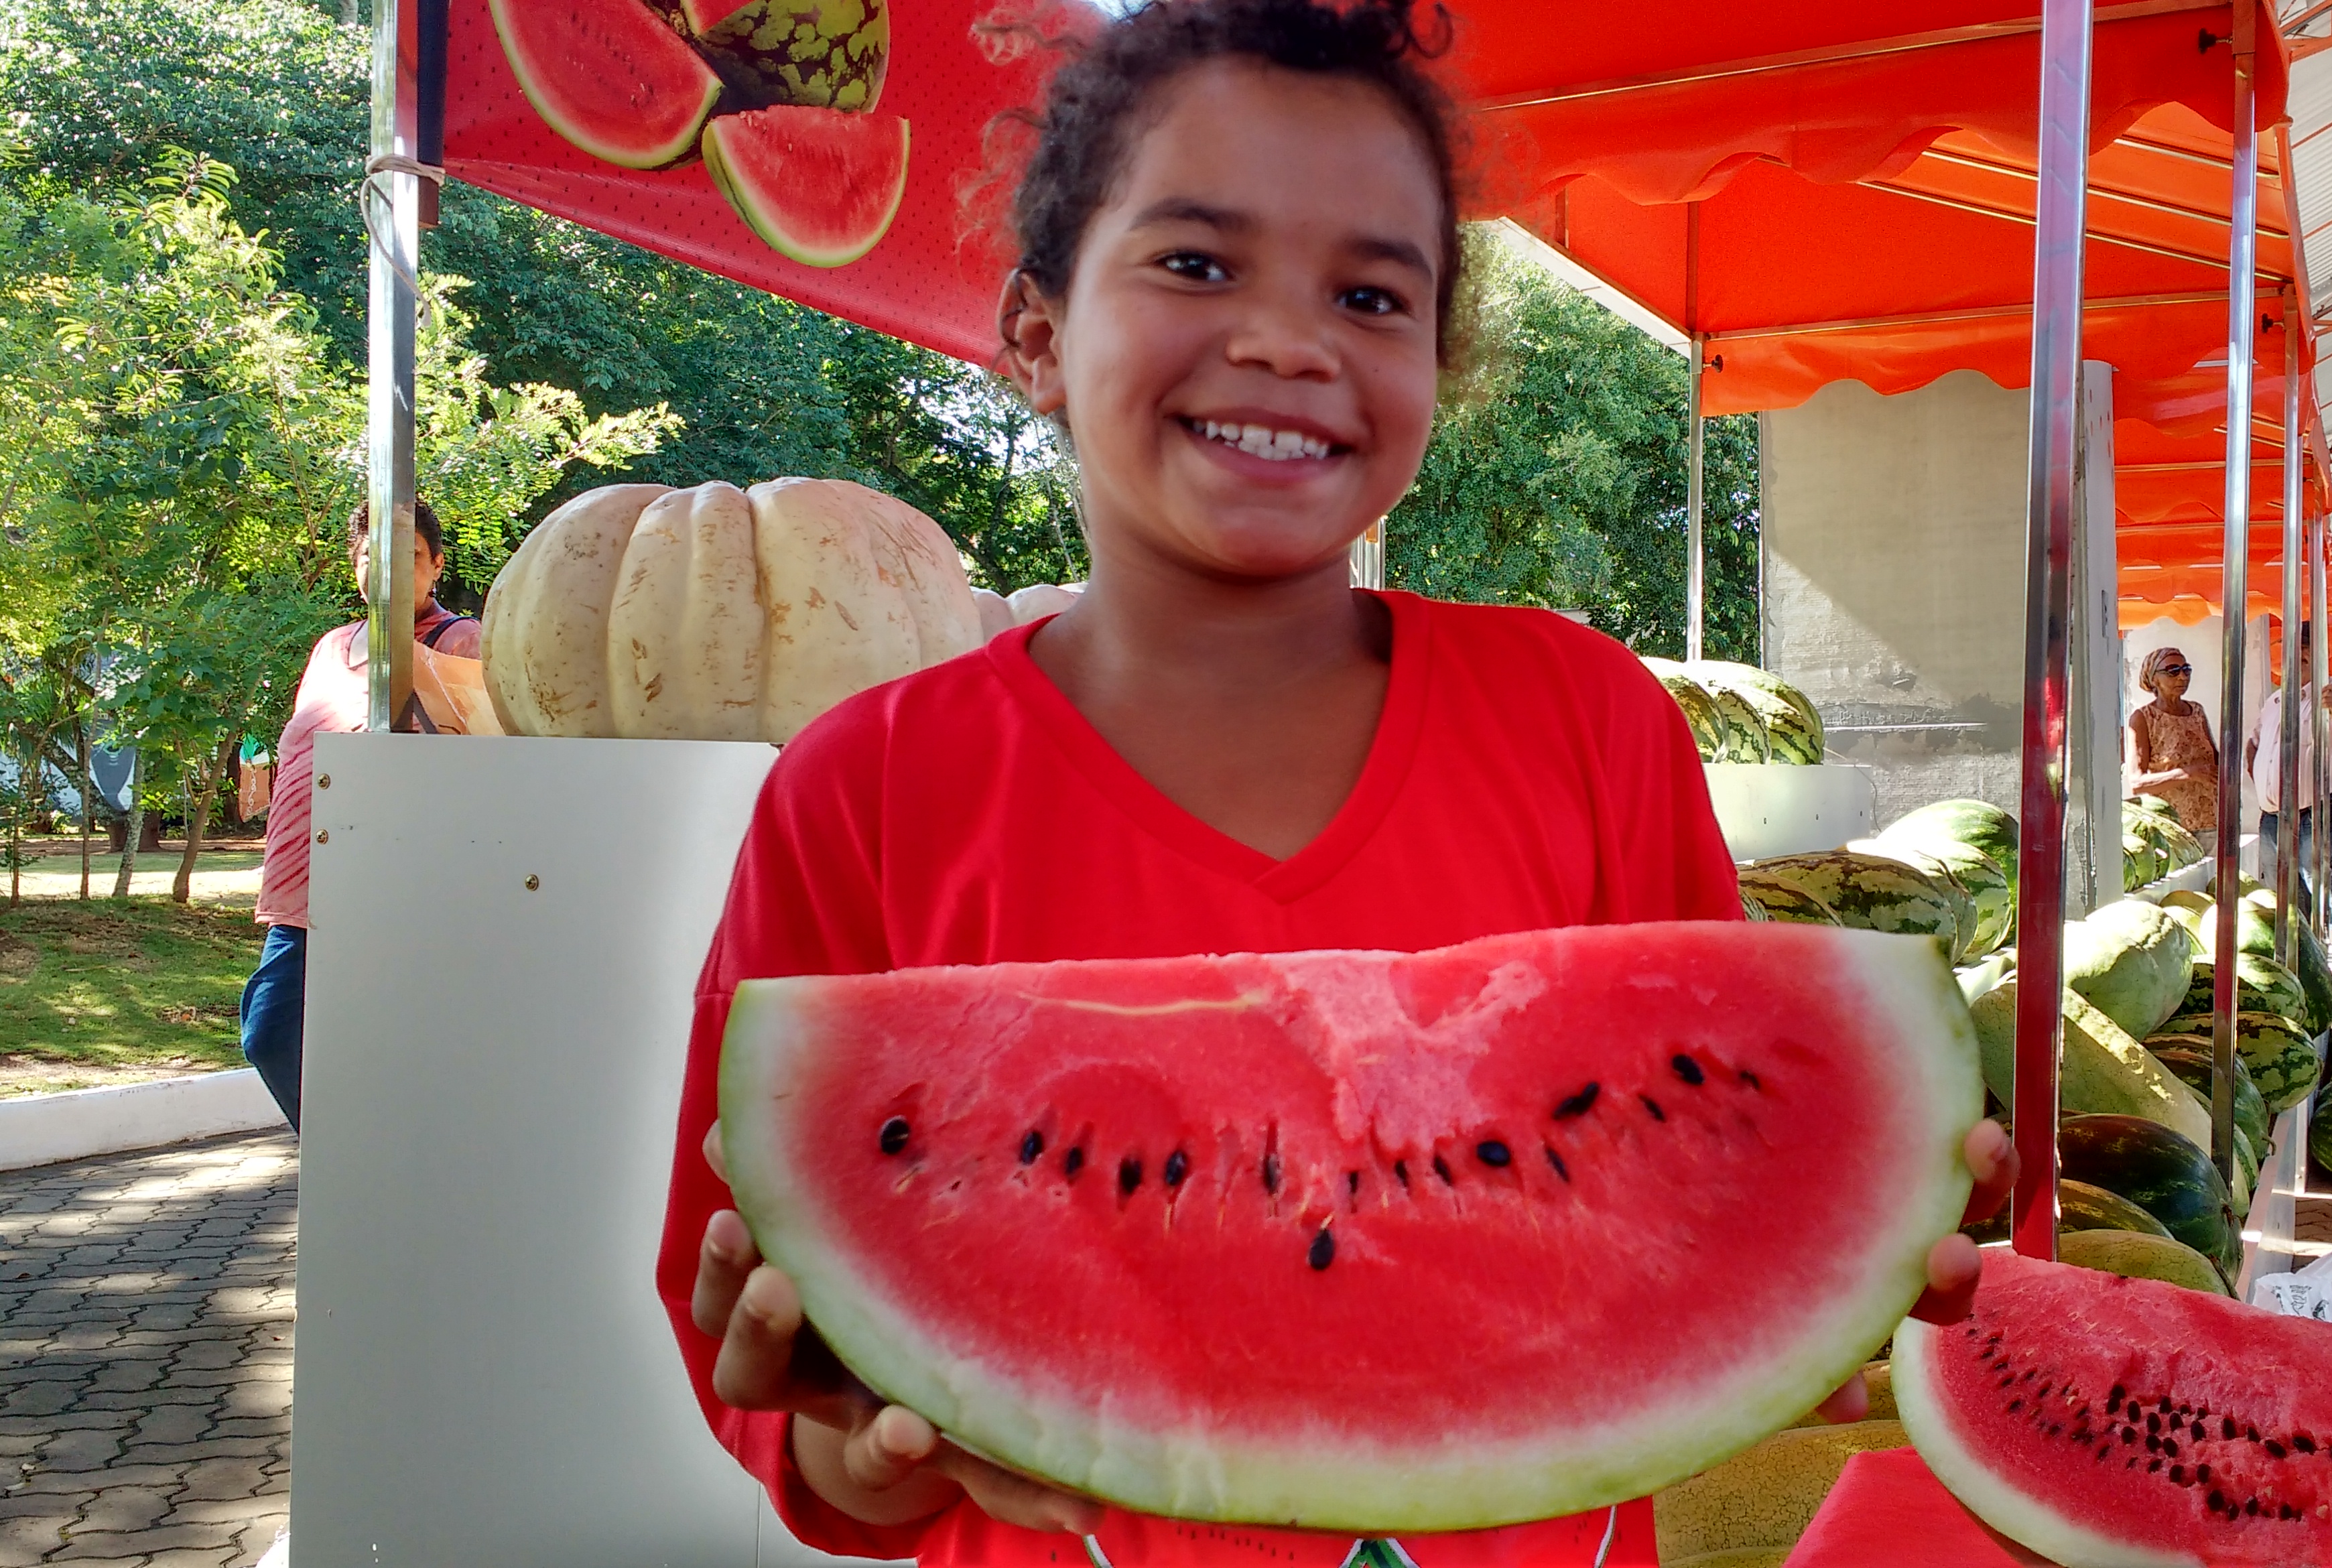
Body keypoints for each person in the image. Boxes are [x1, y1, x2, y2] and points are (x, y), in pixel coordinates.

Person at [653, 2, 2015, 1554]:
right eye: (1194, 263)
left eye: (1371, 293)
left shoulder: (1582, 717)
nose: (1288, 341)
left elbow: (1700, 1155)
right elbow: (760, 1334)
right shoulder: (867, 790)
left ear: (1433, 363)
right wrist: (856, 1462)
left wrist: (1832, 1224)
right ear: (1036, 334)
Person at [241, 501, 478, 1130]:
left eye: (408, 558)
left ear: (436, 567)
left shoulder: (461, 643)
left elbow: (484, 768)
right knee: (273, 1035)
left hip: (394, 890)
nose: (387, 570)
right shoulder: (330, 648)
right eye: (371, 555)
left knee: (277, 1031)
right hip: (303, 892)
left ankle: (365, 1173)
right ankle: (352, 1174)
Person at [2244, 635, 2332, 984]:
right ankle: (2303, 977)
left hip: (2322, 812)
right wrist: (2260, 778)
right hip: (2274, 818)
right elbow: (2254, 743)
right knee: (2285, 900)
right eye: (2292, 653)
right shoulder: (2274, 701)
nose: (2297, 660)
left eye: (2307, 656)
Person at [2126, 645, 2218, 834]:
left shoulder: (2197, 711)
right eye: (2173, 671)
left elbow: (2216, 762)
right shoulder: (2144, 718)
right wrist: (2187, 773)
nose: (2182, 677)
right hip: (2173, 831)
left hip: (2212, 824)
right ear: (2154, 680)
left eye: (2187, 670)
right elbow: (2137, 783)